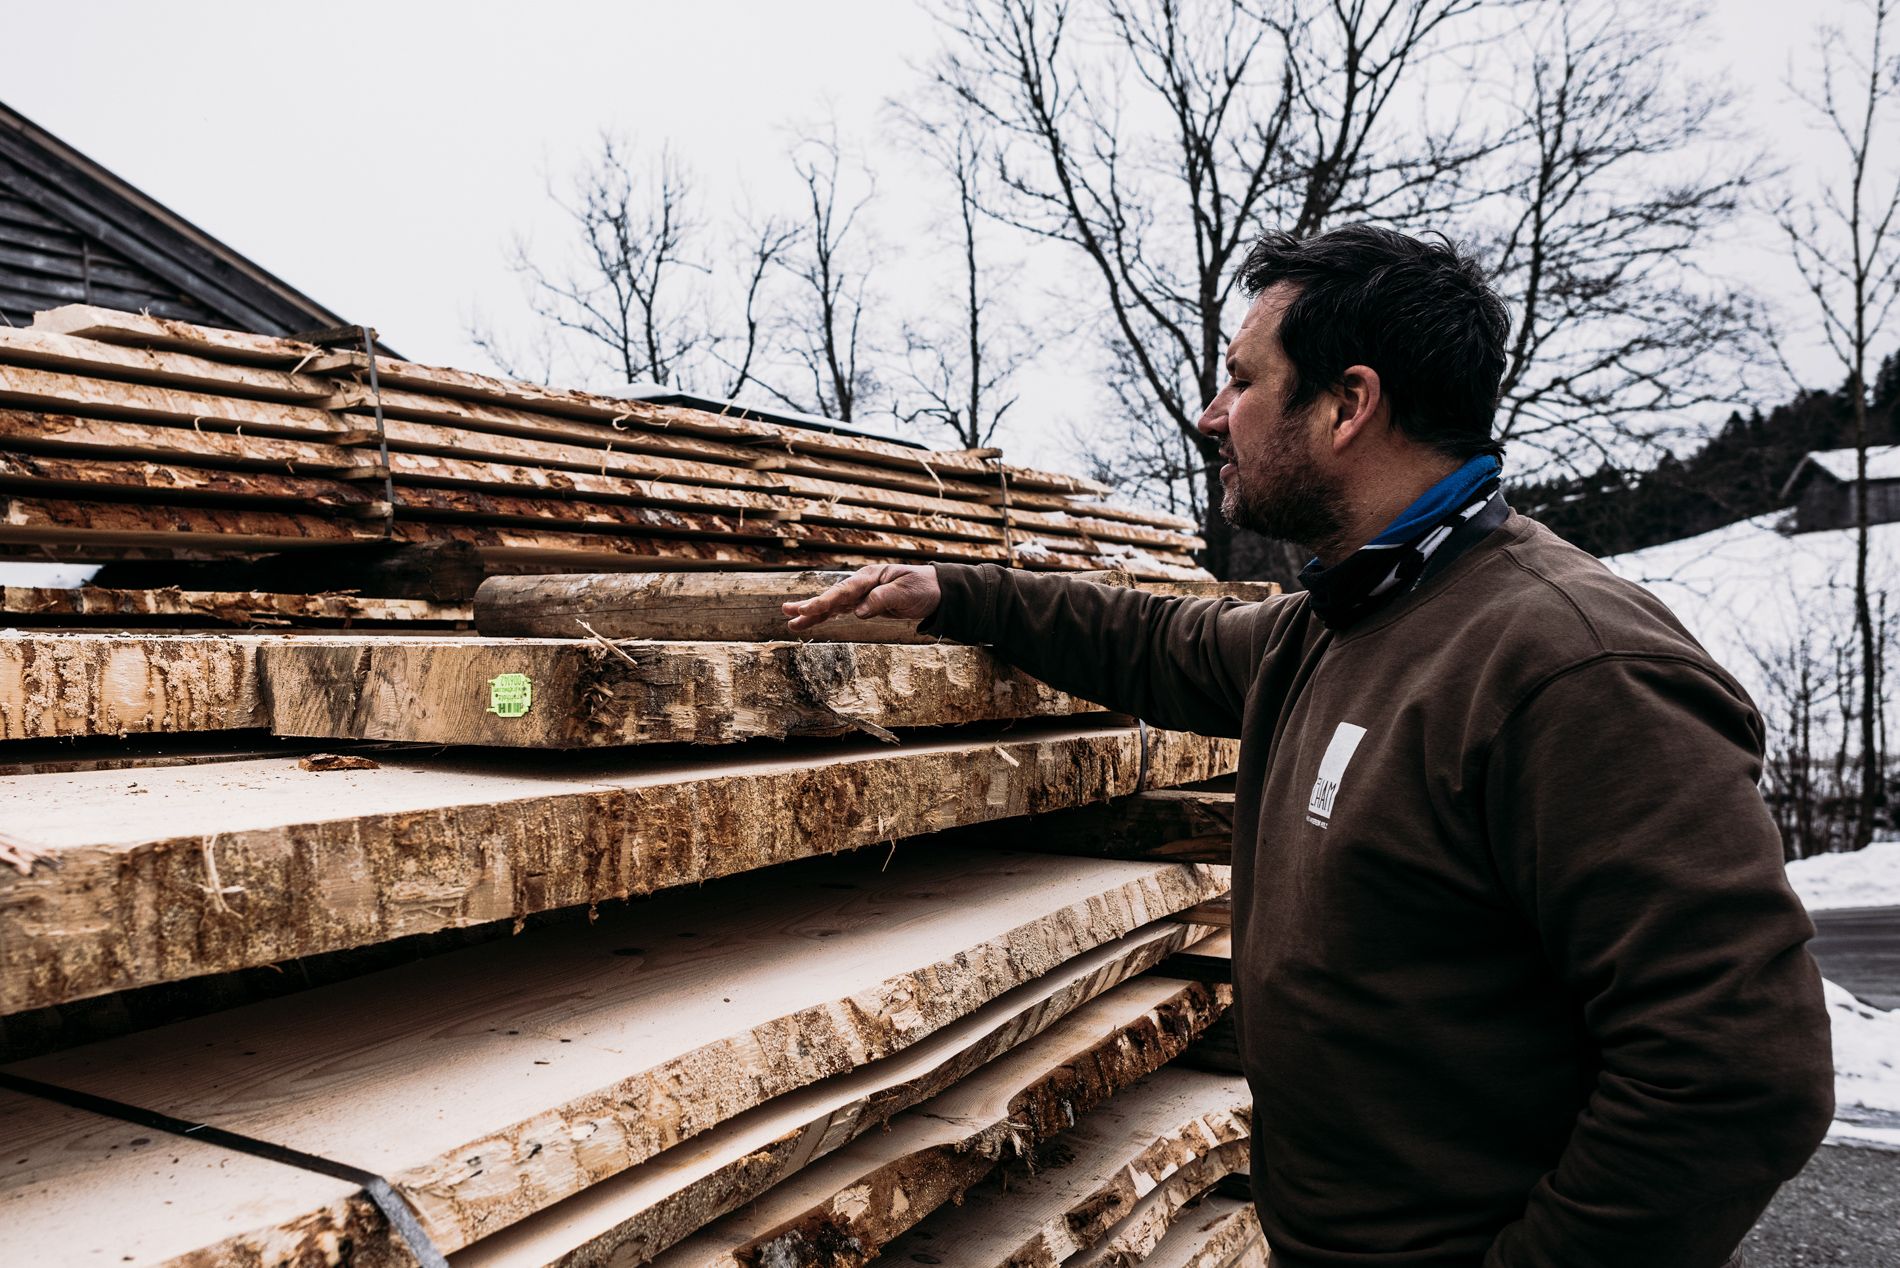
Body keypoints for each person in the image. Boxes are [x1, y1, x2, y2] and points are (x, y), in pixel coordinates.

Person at [782, 224, 1833, 1268]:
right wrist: (958, 590)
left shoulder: (1571, 667)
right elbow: (1158, 641)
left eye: (1241, 380)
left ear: (1347, 404)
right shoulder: (1344, 622)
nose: (1211, 415)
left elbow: (1737, 1070)